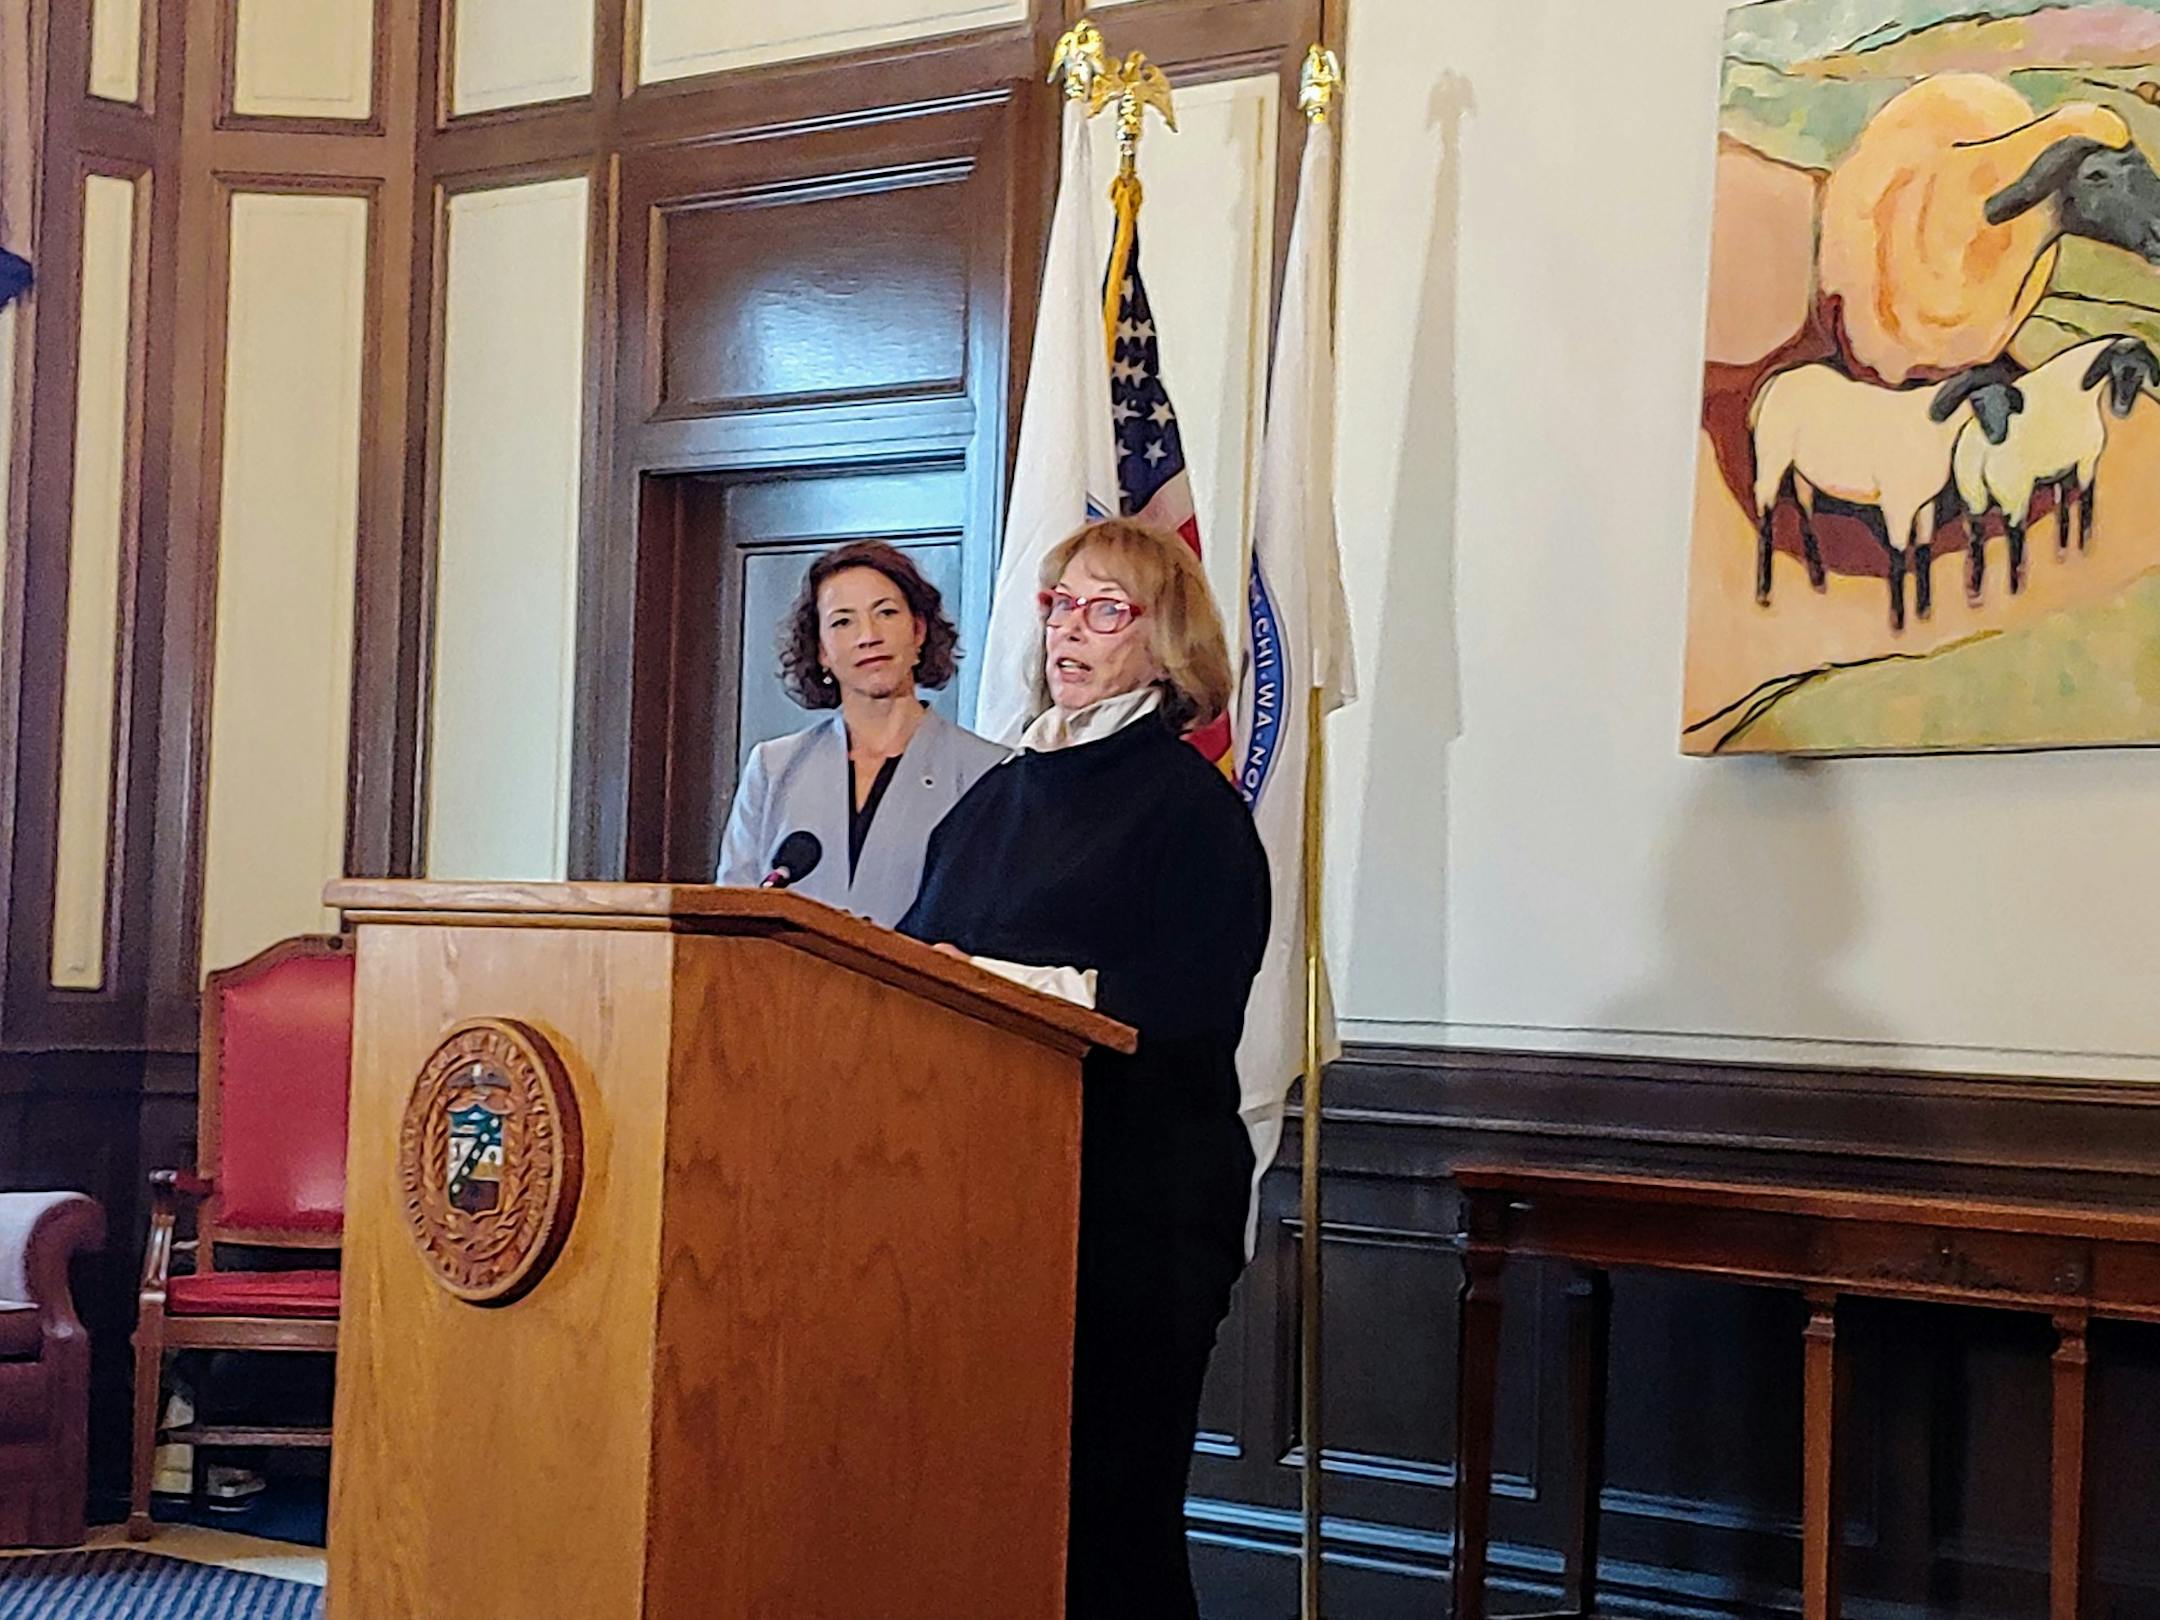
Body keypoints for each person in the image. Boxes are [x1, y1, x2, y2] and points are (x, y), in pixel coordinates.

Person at [898, 518, 1269, 1620]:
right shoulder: (994, 799)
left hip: (1134, 1214)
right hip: (980, 1206)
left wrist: (1015, 985)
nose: (1070, 629)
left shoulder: (1193, 813)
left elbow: (1187, 1005)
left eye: (1106, 609)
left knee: (1109, 1518)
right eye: (1061, 603)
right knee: (985, 1510)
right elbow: (915, 962)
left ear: (1168, 644)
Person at [717, 541, 1006, 927]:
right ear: (821, 650)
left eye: (885, 613)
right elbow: (732, 914)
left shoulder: (990, 771)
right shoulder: (774, 768)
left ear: (918, 630)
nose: (868, 635)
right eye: (842, 622)